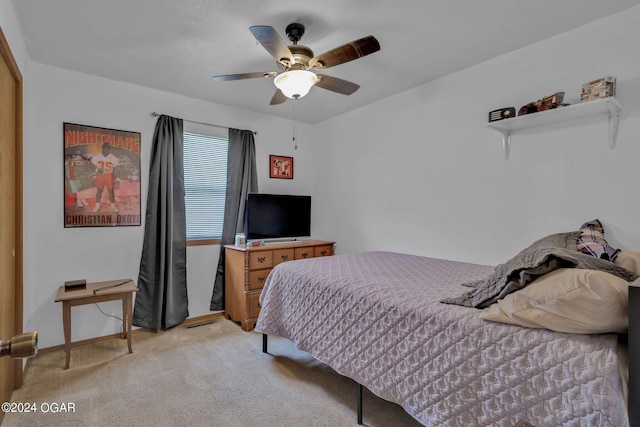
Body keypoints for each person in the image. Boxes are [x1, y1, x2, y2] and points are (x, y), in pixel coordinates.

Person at [91, 142, 119, 213]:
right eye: (105, 148)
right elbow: (91, 167)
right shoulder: (96, 157)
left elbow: (116, 169)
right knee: (99, 191)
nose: (106, 150)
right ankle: (97, 206)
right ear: (102, 148)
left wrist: (117, 179)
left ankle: (113, 206)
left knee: (111, 191)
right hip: (100, 176)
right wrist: (97, 171)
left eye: (108, 149)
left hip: (109, 175)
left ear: (110, 149)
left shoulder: (113, 157)